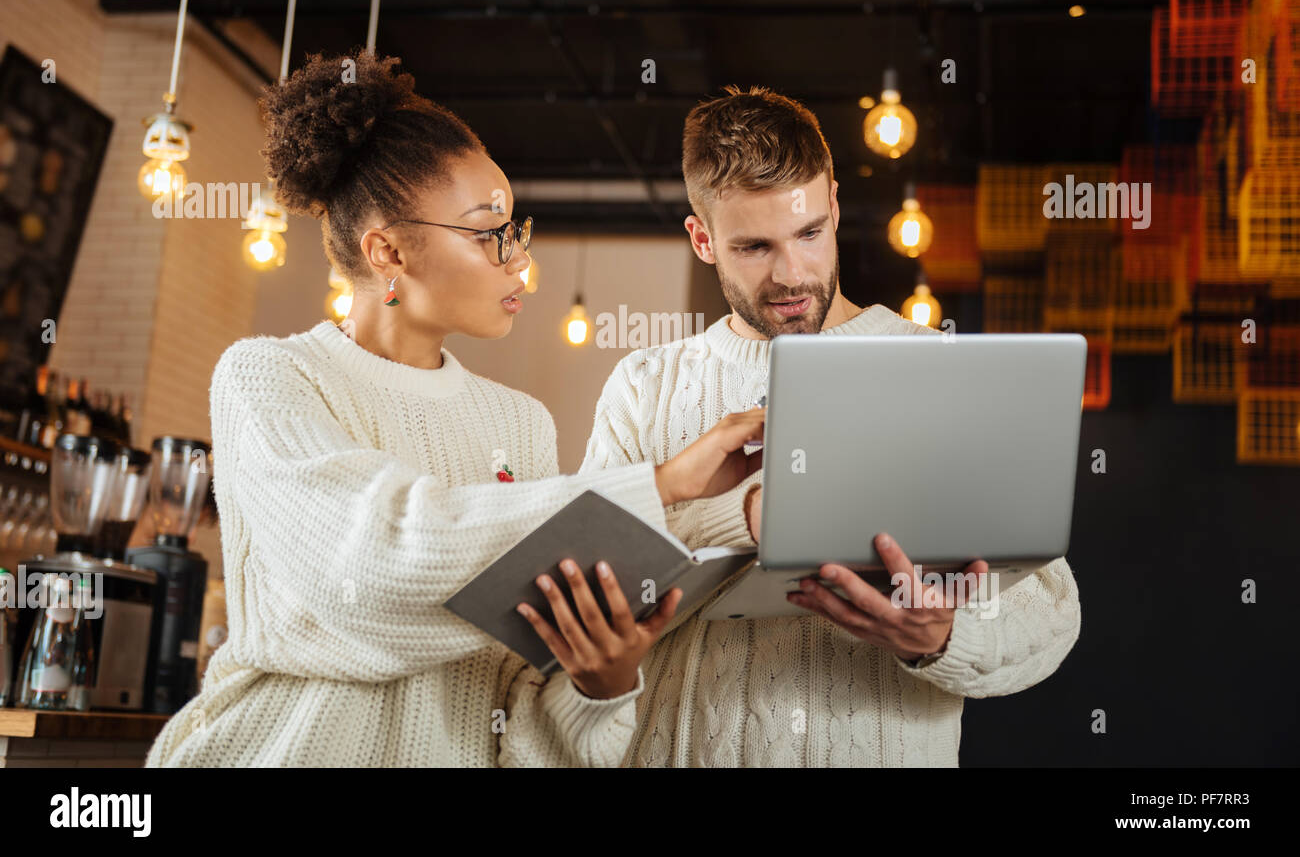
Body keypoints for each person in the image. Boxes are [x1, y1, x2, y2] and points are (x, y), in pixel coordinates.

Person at [144, 51, 764, 767]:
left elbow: (520, 709)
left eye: (515, 230)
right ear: (388, 251)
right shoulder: (270, 377)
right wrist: (660, 484)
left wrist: (601, 682)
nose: (519, 262)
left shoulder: (519, 424)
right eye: (486, 233)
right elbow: (378, 556)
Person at [580, 85, 1082, 767]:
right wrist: (740, 515)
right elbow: (585, 596)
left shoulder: (937, 364)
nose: (793, 275)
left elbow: (1052, 613)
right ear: (703, 239)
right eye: (754, 246)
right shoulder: (644, 384)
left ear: (835, 206)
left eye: (809, 233)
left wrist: (942, 634)